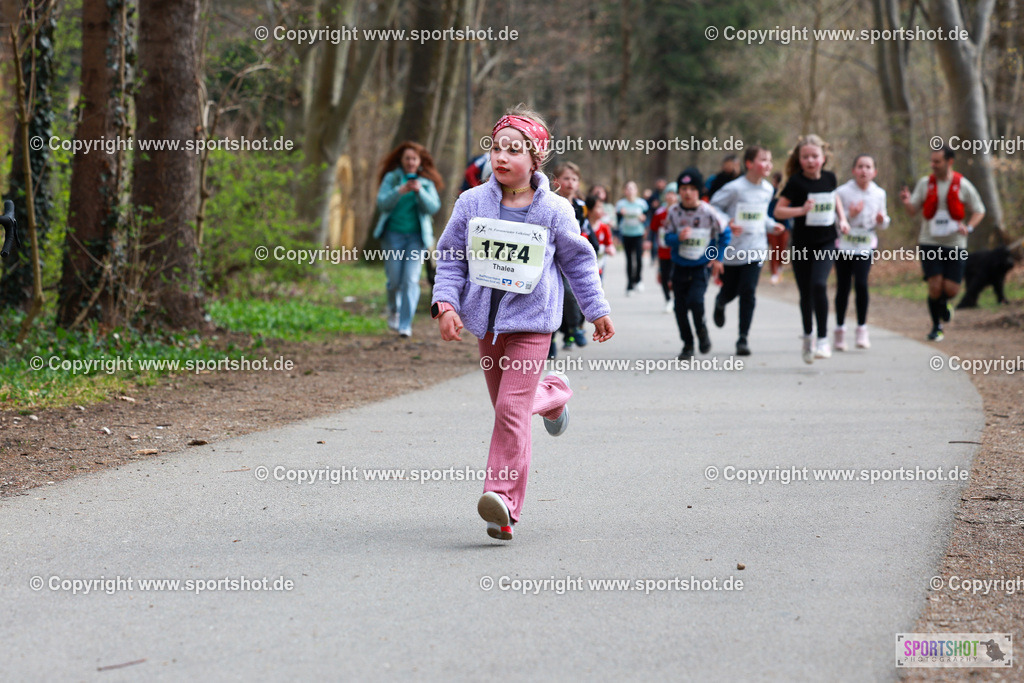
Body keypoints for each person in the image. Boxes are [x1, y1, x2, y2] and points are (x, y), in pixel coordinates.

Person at [430, 105, 615, 541]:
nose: (502, 156)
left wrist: (596, 309)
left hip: (533, 326)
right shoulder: (472, 202)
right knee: (507, 410)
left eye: (515, 150)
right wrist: (446, 303)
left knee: (512, 410)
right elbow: (452, 257)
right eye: (497, 147)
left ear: (536, 159)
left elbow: (579, 264)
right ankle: (552, 394)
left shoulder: (555, 210)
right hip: (487, 325)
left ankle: (502, 500)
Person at [773, 134, 850, 364]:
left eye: (814, 156)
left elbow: (833, 198)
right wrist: (801, 211)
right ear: (799, 159)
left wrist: (843, 219)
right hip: (802, 244)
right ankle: (808, 337)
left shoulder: (830, 178)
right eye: (805, 157)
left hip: (826, 241)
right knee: (806, 293)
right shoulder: (796, 182)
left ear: (823, 158)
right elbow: (778, 211)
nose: (810, 160)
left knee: (819, 285)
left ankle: (823, 340)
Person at [899, 145, 986, 341]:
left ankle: (944, 303)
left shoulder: (963, 185)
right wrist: (906, 202)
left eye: (937, 162)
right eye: (932, 161)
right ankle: (936, 326)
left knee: (951, 289)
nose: (933, 165)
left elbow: (979, 210)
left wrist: (969, 227)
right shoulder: (925, 184)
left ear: (949, 161)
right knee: (935, 285)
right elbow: (913, 211)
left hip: (955, 243)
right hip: (929, 241)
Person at [710, 146, 785, 356]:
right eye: (763, 160)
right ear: (750, 164)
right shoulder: (735, 188)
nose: (769, 164)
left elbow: (762, 217)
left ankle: (743, 338)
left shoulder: (768, 190)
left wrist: (772, 226)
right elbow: (714, 208)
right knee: (732, 290)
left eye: (770, 160)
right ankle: (721, 301)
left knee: (748, 291)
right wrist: (727, 222)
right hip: (733, 250)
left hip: (756, 248)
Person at [374, 141, 443, 338]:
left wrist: (419, 191)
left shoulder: (426, 182)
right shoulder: (392, 178)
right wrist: (400, 190)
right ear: (402, 160)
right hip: (393, 236)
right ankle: (394, 310)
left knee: (411, 280)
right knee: (394, 281)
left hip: (416, 239)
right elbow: (382, 204)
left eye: (414, 158)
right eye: (407, 158)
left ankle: (405, 324)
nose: (411, 162)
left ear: (419, 161)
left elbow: (433, 208)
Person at [664, 168, 730, 359]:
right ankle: (687, 344)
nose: (687, 193)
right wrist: (677, 238)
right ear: (678, 191)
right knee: (680, 308)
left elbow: (725, 234)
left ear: (699, 191)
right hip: (679, 266)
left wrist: (718, 258)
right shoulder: (674, 212)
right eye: (683, 188)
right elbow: (666, 237)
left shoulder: (708, 211)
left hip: (701, 266)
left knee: (695, 301)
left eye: (692, 188)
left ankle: (702, 332)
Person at [833, 154, 890, 350]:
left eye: (868, 167)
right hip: (844, 244)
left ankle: (861, 329)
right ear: (853, 170)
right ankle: (840, 330)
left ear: (874, 172)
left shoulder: (879, 193)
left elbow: (884, 221)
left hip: (866, 243)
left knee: (862, 284)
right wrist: (850, 214)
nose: (864, 170)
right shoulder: (842, 192)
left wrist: (883, 220)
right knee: (843, 286)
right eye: (860, 166)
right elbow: (834, 221)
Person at [553, 161, 599, 352]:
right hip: (553, 258)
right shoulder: (550, 202)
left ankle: (573, 329)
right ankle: (551, 341)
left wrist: (594, 246)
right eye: (566, 178)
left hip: (572, 258)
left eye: (574, 179)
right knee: (554, 298)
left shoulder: (581, 206)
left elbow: (586, 228)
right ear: (556, 181)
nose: (570, 183)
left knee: (572, 295)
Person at [649, 182, 678, 313]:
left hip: (678, 251)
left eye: (674, 194)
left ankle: (677, 299)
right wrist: (649, 241)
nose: (671, 196)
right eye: (669, 193)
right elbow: (653, 229)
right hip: (663, 251)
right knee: (665, 277)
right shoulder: (660, 213)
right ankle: (668, 300)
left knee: (676, 277)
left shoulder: (681, 212)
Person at [615, 181, 649, 295]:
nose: (630, 191)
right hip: (626, 234)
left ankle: (638, 279)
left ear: (636, 190)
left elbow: (647, 217)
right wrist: (620, 214)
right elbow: (617, 220)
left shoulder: (642, 203)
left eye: (632, 188)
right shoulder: (620, 204)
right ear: (625, 191)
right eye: (628, 188)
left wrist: (644, 219)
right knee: (629, 260)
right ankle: (629, 285)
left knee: (639, 258)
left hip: (638, 234)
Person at [766, 171, 791, 284]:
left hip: (785, 225)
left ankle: (779, 270)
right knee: (774, 249)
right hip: (773, 226)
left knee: (781, 249)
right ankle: (774, 272)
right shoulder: (769, 193)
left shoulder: (785, 194)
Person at [588, 194, 615, 281]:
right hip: (586, 266)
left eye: (602, 207)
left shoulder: (604, 227)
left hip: (599, 265)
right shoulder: (584, 227)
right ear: (589, 210)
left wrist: (610, 249)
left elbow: (609, 243)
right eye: (598, 207)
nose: (602, 210)